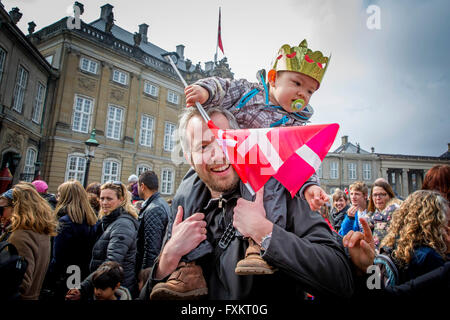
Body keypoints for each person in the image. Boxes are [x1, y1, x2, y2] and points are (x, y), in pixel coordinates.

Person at [143, 108, 354, 300]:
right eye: (204, 146)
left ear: (241, 141)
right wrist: (168, 259)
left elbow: (341, 277)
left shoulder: (281, 192)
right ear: (190, 158)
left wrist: (265, 232)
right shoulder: (183, 209)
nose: (219, 155)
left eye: (224, 139)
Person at [46, 180, 98, 299]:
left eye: (59, 195)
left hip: (66, 275)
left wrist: (48, 278)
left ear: (66, 197)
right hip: (82, 273)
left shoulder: (65, 222)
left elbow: (58, 257)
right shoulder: (91, 219)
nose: (57, 199)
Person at [6, 182, 58, 299]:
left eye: (3, 208)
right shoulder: (41, 230)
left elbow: (21, 281)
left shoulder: (20, 235)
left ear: (15, 207)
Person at [88, 181, 139, 297]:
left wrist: (83, 288)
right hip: (106, 287)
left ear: (121, 200)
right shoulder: (108, 221)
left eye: (109, 199)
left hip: (115, 289)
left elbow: (111, 262)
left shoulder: (123, 225)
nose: (104, 202)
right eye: (102, 198)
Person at [135, 170, 171, 275]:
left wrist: (145, 276)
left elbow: (152, 249)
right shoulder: (160, 203)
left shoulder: (154, 209)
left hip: (149, 272)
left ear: (142, 186)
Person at [366, 180, 401, 252]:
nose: (378, 198)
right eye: (375, 195)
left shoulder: (396, 212)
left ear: (390, 195)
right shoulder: (370, 215)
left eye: (382, 194)